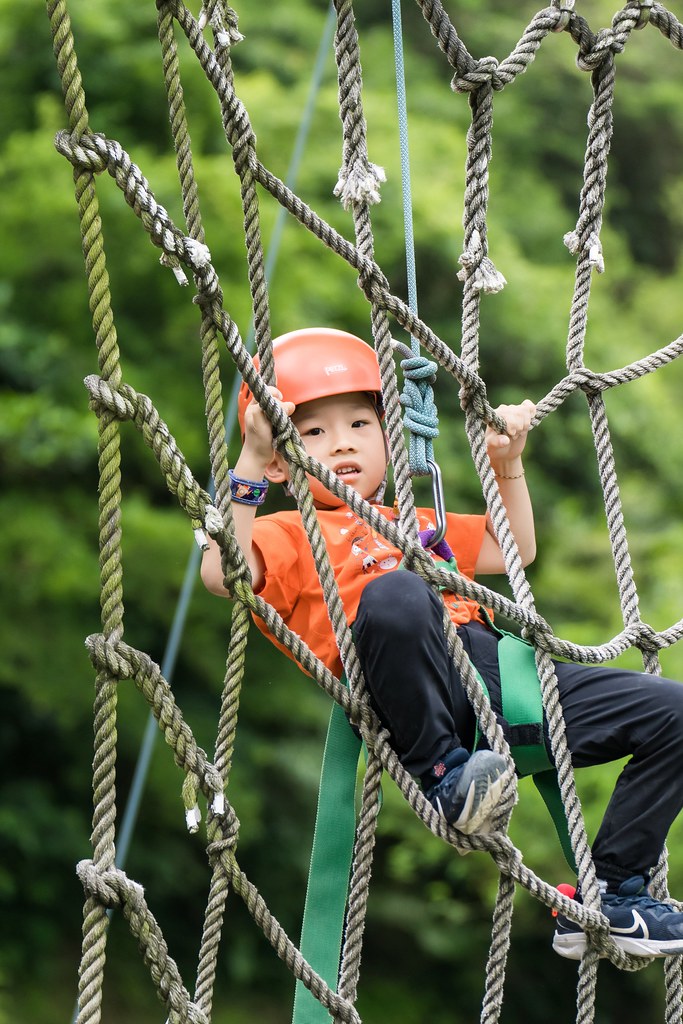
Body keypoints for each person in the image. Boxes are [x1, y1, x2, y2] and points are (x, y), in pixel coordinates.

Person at [201, 327, 683, 960]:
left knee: (674, 712)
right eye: (314, 432)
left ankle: (615, 892)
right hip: (414, 692)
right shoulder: (289, 532)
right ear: (281, 462)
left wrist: (506, 463)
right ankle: (447, 778)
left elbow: (515, 547)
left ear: (386, 436)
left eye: (359, 424)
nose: (342, 442)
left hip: (501, 680)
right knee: (397, 592)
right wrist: (249, 459)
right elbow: (223, 571)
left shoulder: (416, 519)